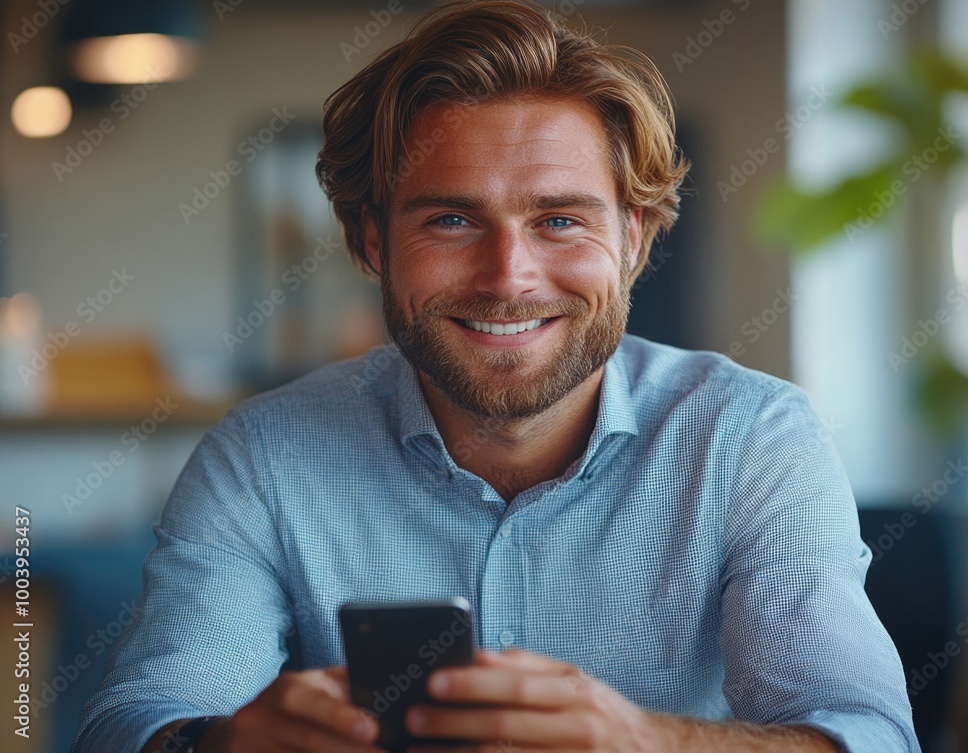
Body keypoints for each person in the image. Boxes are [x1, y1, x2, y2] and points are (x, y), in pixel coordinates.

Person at [70, 1, 919, 752]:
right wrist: (218, 744)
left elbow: (869, 732)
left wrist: (646, 742)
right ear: (372, 241)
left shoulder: (752, 437)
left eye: (559, 219)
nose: (508, 277)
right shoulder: (260, 456)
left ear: (633, 239)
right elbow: (135, 716)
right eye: (450, 218)